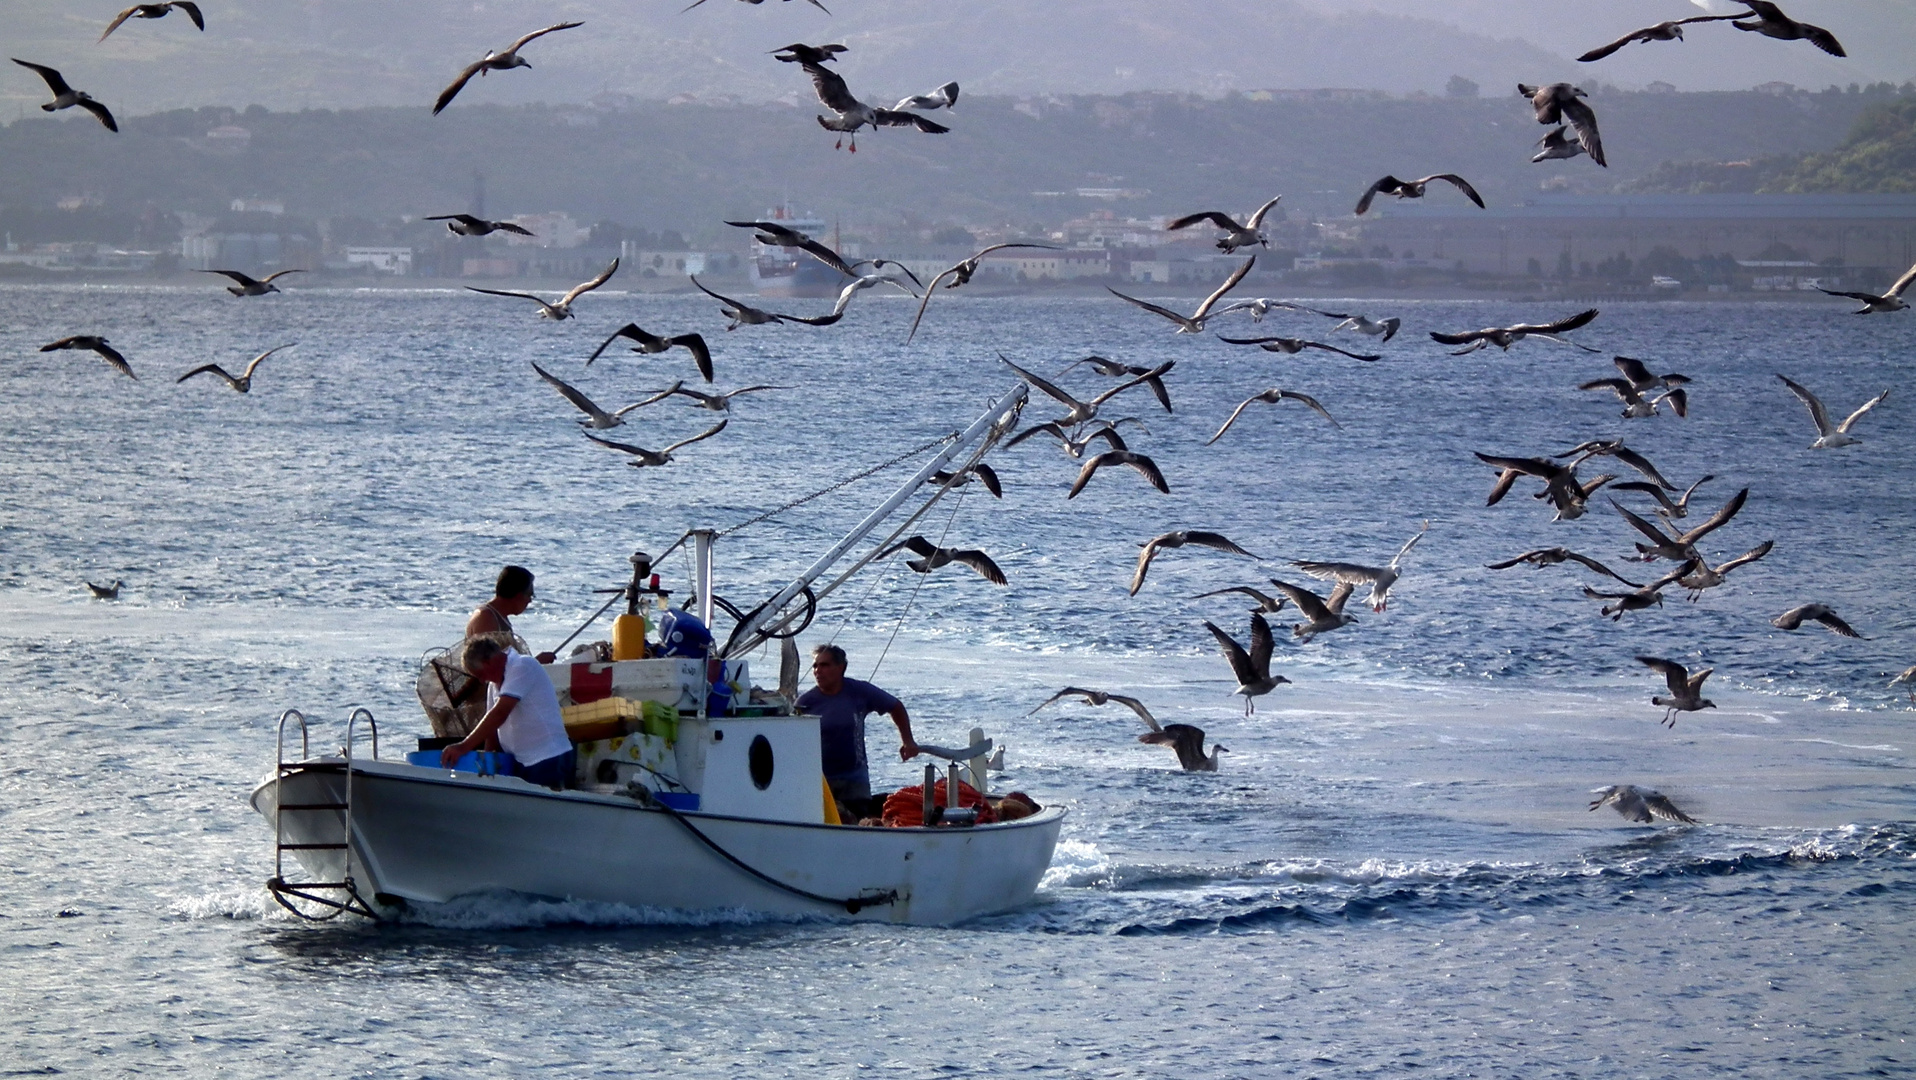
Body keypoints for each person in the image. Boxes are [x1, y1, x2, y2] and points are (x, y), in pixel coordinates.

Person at [796, 643, 920, 818]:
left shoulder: (859, 691)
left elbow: (896, 706)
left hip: (854, 779)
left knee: (859, 823)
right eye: (815, 666)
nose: (817, 671)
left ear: (841, 667)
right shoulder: (805, 702)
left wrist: (908, 741)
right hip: (821, 781)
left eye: (824, 665)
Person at [441, 637, 575, 790]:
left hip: (548, 757)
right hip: (519, 761)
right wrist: (488, 763)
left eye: (480, 675)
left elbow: (500, 713)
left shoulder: (523, 665)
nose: (482, 680)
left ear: (488, 663)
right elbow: (492, 730)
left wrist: (464, 746)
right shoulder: (494, 685)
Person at [468, 564, 556, 664]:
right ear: (518, 596)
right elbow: (488, 665)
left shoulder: (499, 616)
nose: (530, 600)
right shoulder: (486, 617)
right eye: (529, 595)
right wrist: (536, 662)